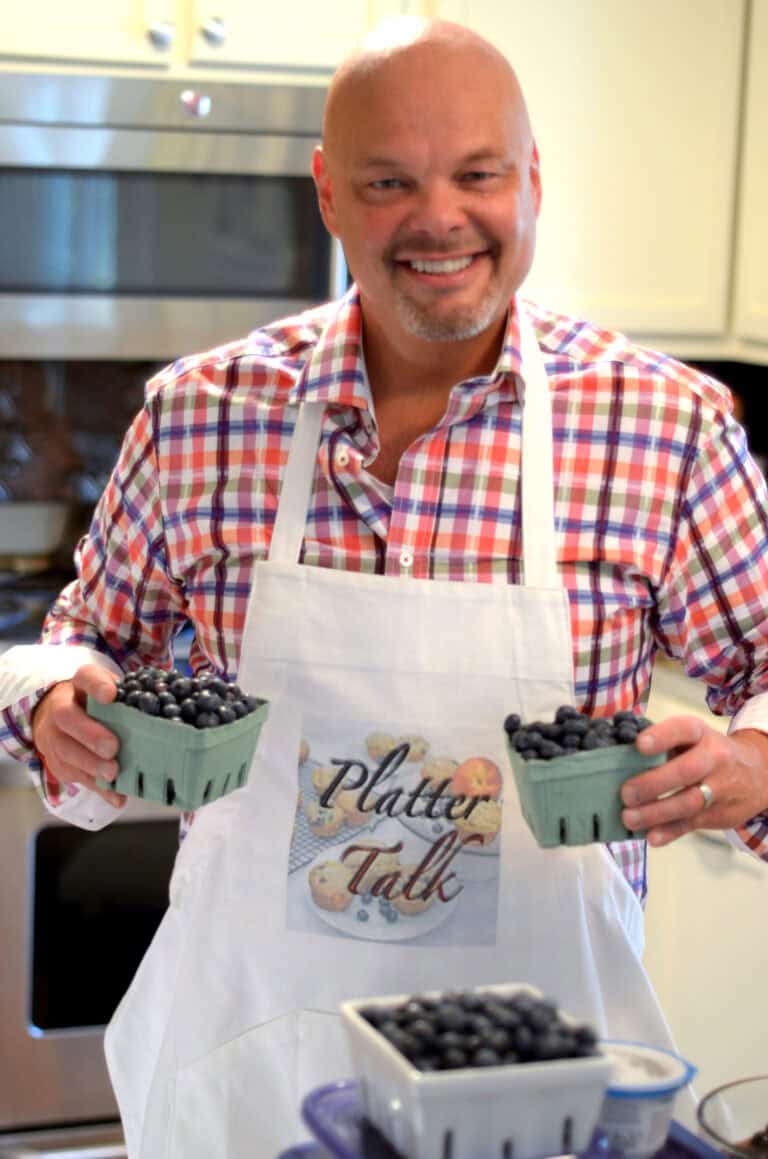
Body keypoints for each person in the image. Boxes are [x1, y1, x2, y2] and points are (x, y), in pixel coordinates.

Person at [2, 16, 768, 1158]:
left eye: (477, 174)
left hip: (538, 1093)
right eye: (389, 181)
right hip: (248, 1073)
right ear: (328, 191)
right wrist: (56, 703)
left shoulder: (666, 426)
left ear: (534, 179)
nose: (439, 218)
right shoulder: (202, 415)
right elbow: (79, 642)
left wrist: (748, 763)